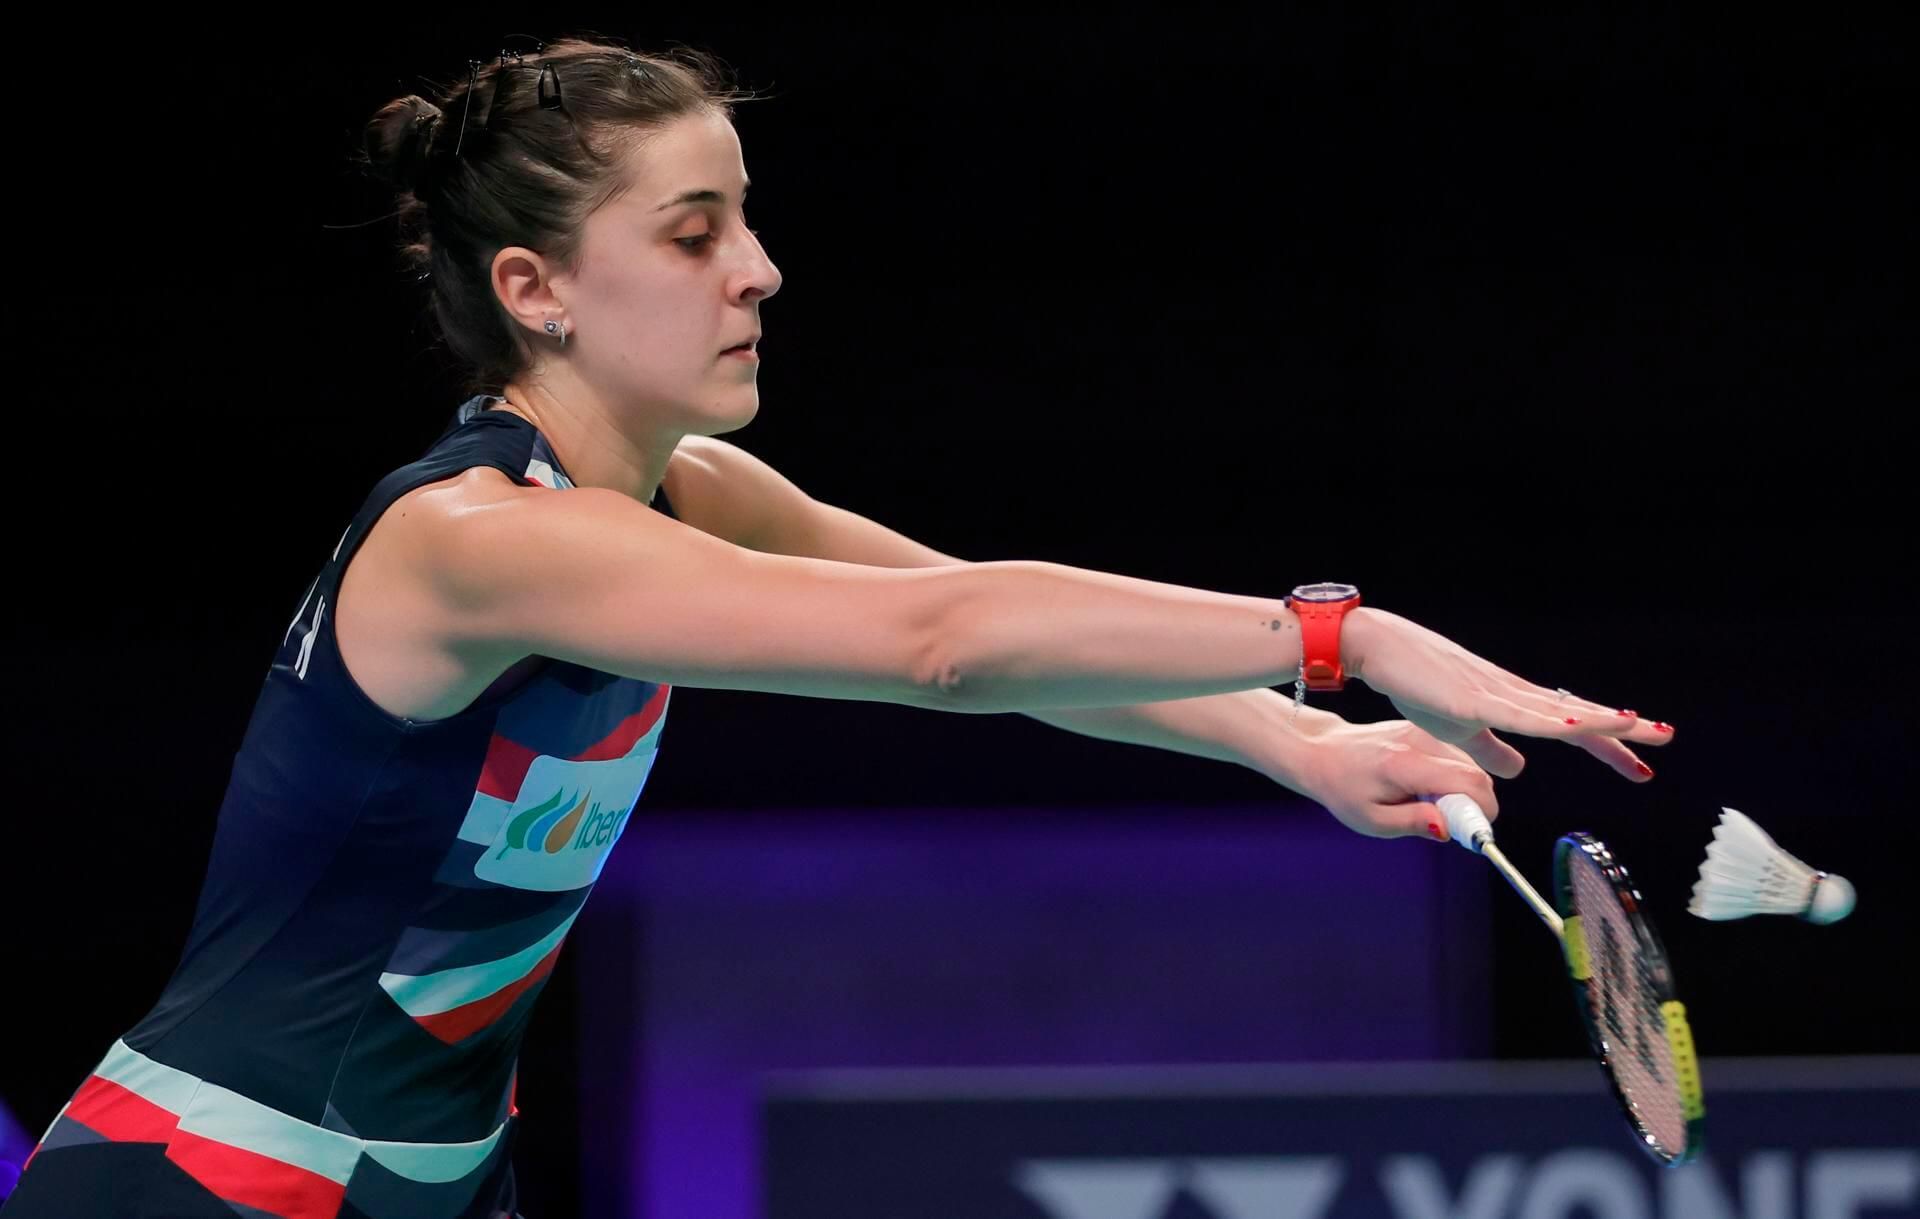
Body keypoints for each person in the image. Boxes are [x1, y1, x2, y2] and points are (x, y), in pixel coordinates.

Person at [0, 35, 1672, 1219]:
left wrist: (1300, 750)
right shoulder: (474, 542)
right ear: (535, 290)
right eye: (693, 234)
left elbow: (986, 637)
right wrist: (1342, 638)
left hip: (434, 1182)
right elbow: (946, 639)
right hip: (209, 1176)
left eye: (744, 218)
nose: (760, 270)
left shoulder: (692, 489)